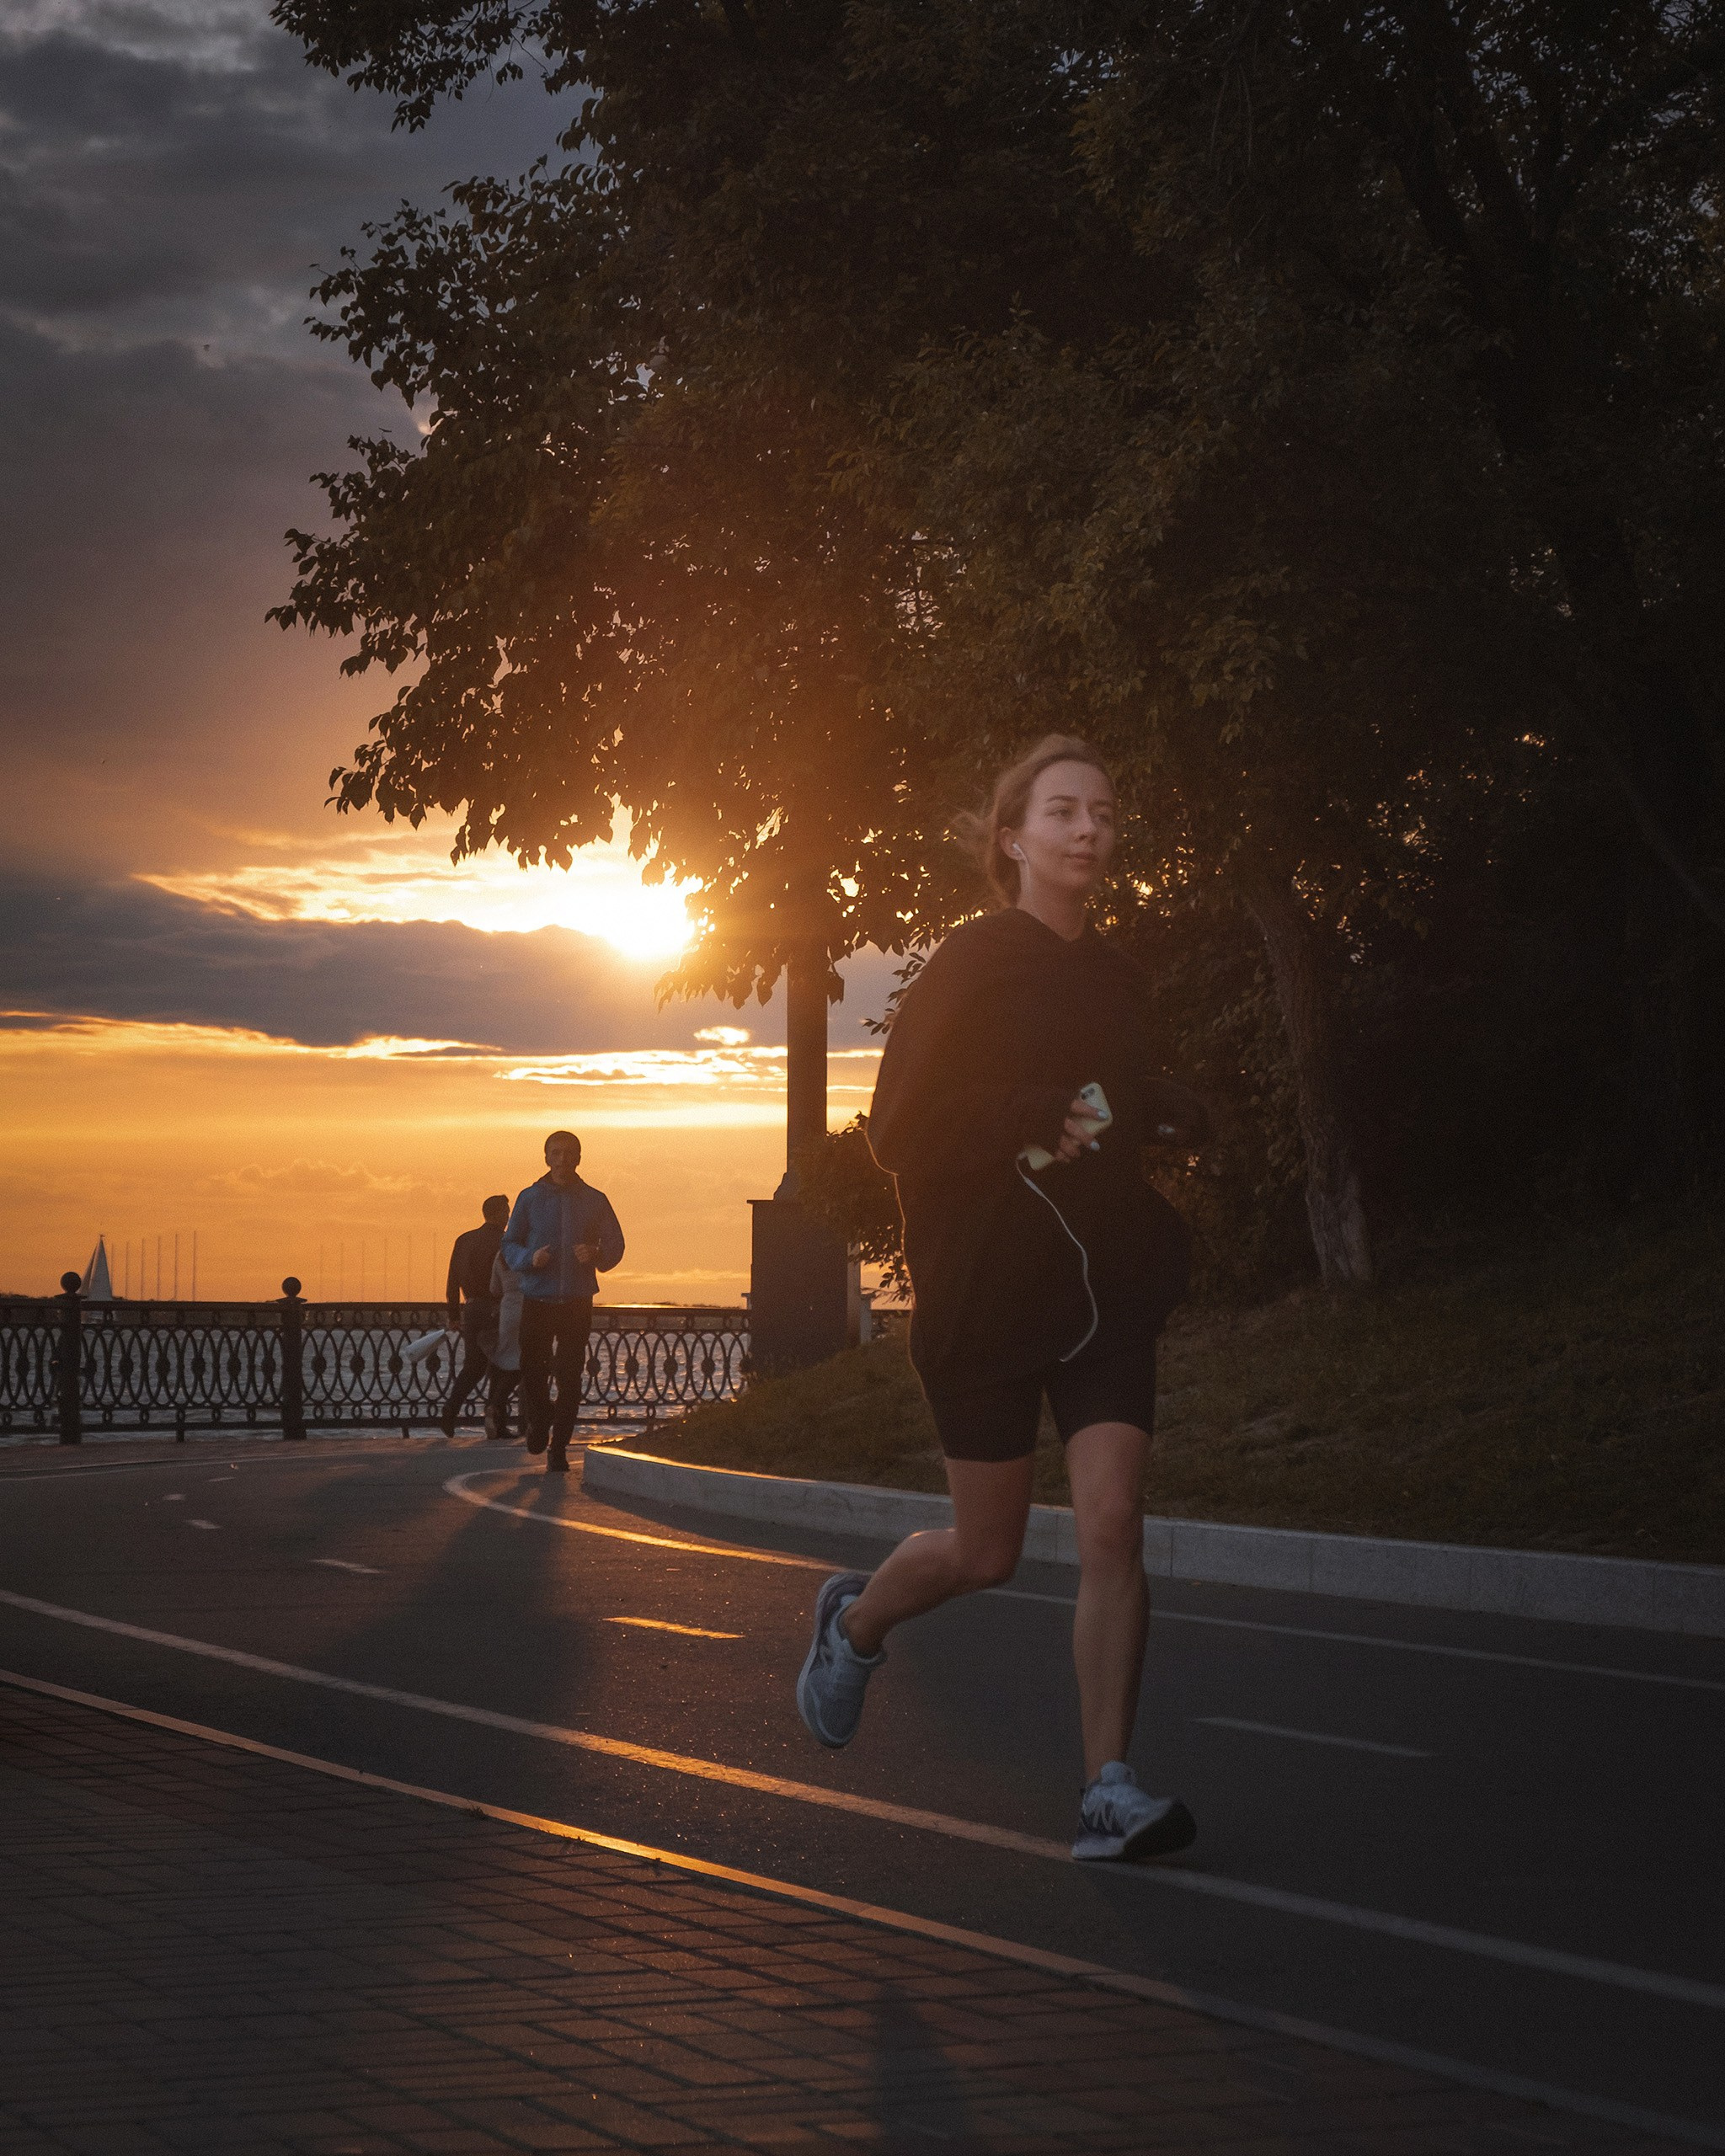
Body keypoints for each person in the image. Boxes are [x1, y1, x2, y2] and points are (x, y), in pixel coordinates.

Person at [794, 735, 1211, 1863]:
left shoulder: (1121, 980)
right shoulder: (972, 966)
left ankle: (1106, 1790)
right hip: (988, 1291)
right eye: (1065, 811)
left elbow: (1116, 1101)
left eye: (1105, 816)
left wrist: (1166, 1109)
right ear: (1014, 837)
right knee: (989, 1554)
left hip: (1103, 1291)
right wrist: (1029, 1111)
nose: (1088, 832)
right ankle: (859, 1619)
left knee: (1115, 1521)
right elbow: (897, 1132)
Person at [503, 1130, 626, 1472]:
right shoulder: (529, 1198)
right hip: (538, 1298)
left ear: (578, 1158)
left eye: (568, 1153)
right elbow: (509, 1243)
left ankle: (559, 1449)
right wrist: (530, 1258)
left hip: (576, 1299)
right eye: (555, 1153)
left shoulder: (595, 1199)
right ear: (546, 1158)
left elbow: (615, 1245)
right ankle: (540, 1422)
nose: (562, 1160)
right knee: (532, 1370)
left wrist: (596, 1253)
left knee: (569, 1375)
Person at [440, 1195, 511, 1438]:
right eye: (507, 1212)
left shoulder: (464, 1240)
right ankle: (496, 1422)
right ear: (500, 1214)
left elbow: (452, 1281)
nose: (509, 1217)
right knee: (502, 1365)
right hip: (498, 1309)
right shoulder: (506, 1241)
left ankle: (450, 1411)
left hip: (471, 1309)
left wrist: (453, 1313)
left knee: (473, 1366)